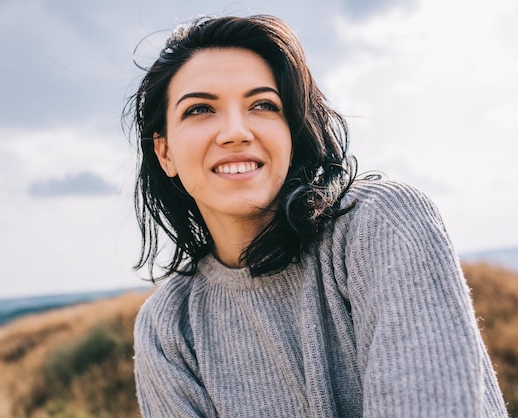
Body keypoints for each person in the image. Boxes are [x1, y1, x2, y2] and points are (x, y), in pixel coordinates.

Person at [124, 15, 508, 417]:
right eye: (201, 109)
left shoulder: (382, 222)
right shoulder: (168, 327)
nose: (235, 131)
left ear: (291, 130)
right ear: (164, 152)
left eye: (263, 105)